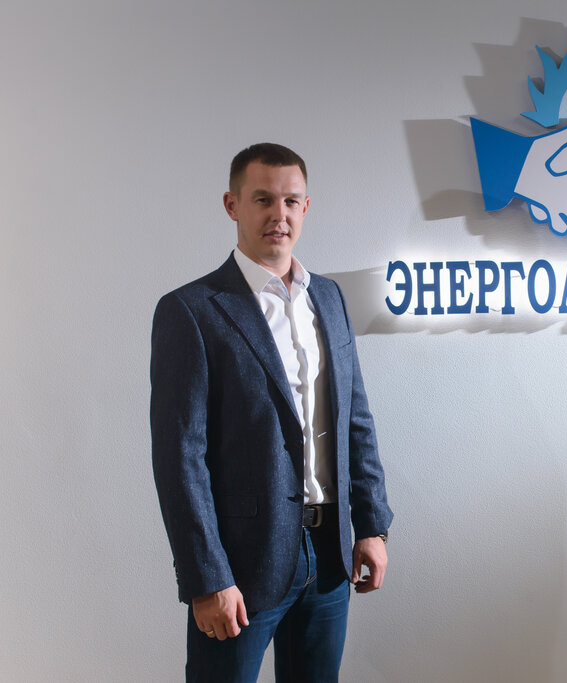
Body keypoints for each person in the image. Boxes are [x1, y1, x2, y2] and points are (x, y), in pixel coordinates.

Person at [151, 142, 393, 682]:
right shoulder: (191, 310)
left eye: (290, 201)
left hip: (329, 557)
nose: (278, 215)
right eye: (262, 199)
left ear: (305, 207)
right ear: (232, 205)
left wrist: (372, 525)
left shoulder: (328, 298)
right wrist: (206, 578)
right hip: (239, 568)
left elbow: (355, 419)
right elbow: (179, 458)